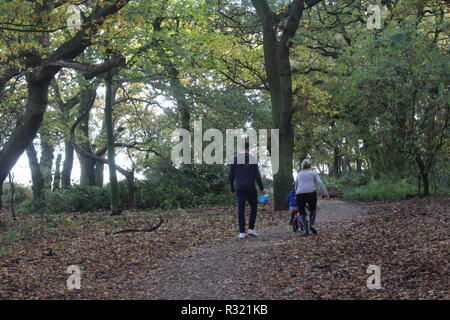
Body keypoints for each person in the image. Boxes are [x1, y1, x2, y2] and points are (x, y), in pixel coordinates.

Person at [229, 142, 264, 239]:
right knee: (253, 207)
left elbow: (231, 175)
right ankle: (251, 229)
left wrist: (232, 188)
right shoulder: (252, 158)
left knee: (241, 209)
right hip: (251, 188)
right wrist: (261, 187)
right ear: (248, 148)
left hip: (240, 188)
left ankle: (242, 232)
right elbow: (257, 175)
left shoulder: (234, 159)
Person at [295, 159, 330, 236]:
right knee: (312, 210)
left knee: (301, 212)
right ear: (310, 165)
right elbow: (320, 183)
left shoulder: (299, 174)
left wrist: (295, 194)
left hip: (300, 194)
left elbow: (296, 186)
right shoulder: (313, 173)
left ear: (302, 166)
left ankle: (305, 230)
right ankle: (311, 225)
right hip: (311, 193)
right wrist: (325, 194)